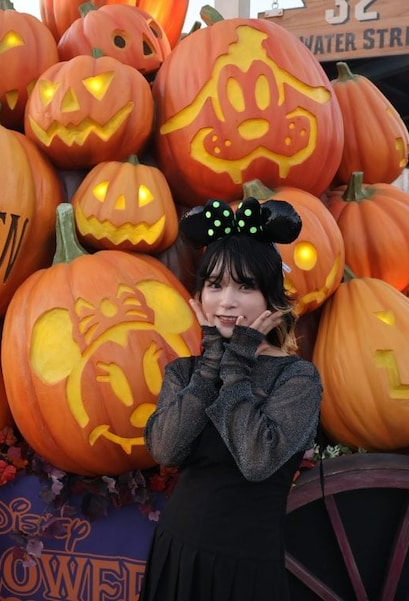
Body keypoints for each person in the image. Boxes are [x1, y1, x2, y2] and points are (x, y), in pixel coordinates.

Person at [138, 197, 323, 601]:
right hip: (178, 552)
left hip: (245, 567)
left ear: (271, 298)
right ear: (200, 294)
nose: (227, 301)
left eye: (245, 286)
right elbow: (166, 450)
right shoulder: (185, 372)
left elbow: (256, 461)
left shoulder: (296, 378)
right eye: (215, 285)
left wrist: (237, 363)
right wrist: (210, 367)